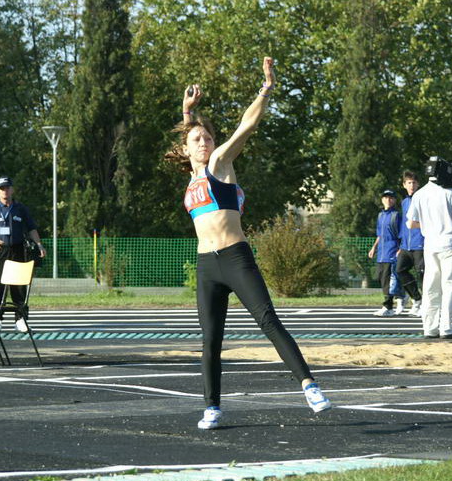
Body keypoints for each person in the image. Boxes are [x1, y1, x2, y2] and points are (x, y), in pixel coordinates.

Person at [164, 57, 331, 430]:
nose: (205, 141)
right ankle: (212, 408)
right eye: (198, 139)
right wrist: (188, 111)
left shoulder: (220, 163)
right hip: (207, 266)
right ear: (187, 148)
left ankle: (309, 385)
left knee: (269, 320)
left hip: (236, 258)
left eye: (208, 136)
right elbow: (189, 134)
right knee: (210, 342)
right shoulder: (192, 177)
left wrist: (266, 88)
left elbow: (248, 124)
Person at [406, 167, 452, 339]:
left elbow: (411, 223)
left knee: (431, 286)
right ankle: (447, 326)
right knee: (451, 285)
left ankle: (430, 327)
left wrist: (430, 225)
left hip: (430, 244)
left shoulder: (419, 194)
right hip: (450, 243)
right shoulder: (449, 192)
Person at [0, 176, 47, 333]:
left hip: (18, 250)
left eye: (8, 187)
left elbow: (31, 228)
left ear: (12, 189)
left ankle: (20, 318)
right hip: (0, 251)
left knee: (19, 286)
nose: (5, 191)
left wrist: (39, 244)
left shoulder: (20, 209)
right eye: (2, 188)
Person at [368, 190, 401, 317]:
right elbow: (379, 235)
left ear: (394, 200)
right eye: (386, 197)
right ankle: (400, 296)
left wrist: (399, 249)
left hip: (392, 250)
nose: (388, 200)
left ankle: (388, 306)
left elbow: (401, 234)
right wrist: (374, 248)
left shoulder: (396, 215)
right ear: (382, 200)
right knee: (381, 277)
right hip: (381, 251)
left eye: (391, 198)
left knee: (388, 279)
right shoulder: (380, 216)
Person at [396, 171, 425, 317]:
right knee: (400, 270)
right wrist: (400, 244)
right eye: (409, 183)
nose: (412, 185)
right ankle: (417, 299)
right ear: (404, 185)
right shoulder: (404, 202)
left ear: (418, 184)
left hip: (420, 243)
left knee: (423, 274)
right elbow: (403, 225)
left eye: (414, 182)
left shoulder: (423, 199)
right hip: (405, 246)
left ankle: (427, 304)